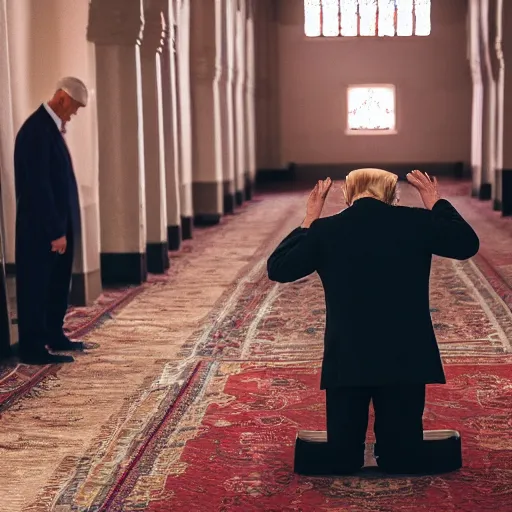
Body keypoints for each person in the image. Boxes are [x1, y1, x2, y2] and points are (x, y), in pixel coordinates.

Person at [267, 169, 480, 474]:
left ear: (348, 196)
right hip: (406, 357)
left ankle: (347, 454)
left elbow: (279, 268)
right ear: (393, 196)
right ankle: (399, 451)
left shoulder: (326, 229)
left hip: (347, 358)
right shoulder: (417, 222)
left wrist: (309, 220)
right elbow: (466, 244)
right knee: (402, 458)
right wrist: (435, 202)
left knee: (341, 459)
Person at [14, 77, 89, 365]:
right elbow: (39, 186)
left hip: (56, 226)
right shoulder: (36, 131)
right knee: (37, 284)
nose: (74, 114)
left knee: (55, 283)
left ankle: (53, 334)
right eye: (74, 107)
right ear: (62, 99)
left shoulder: (50, 129)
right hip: (41, 229)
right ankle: (32, 346)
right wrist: (55, 230)